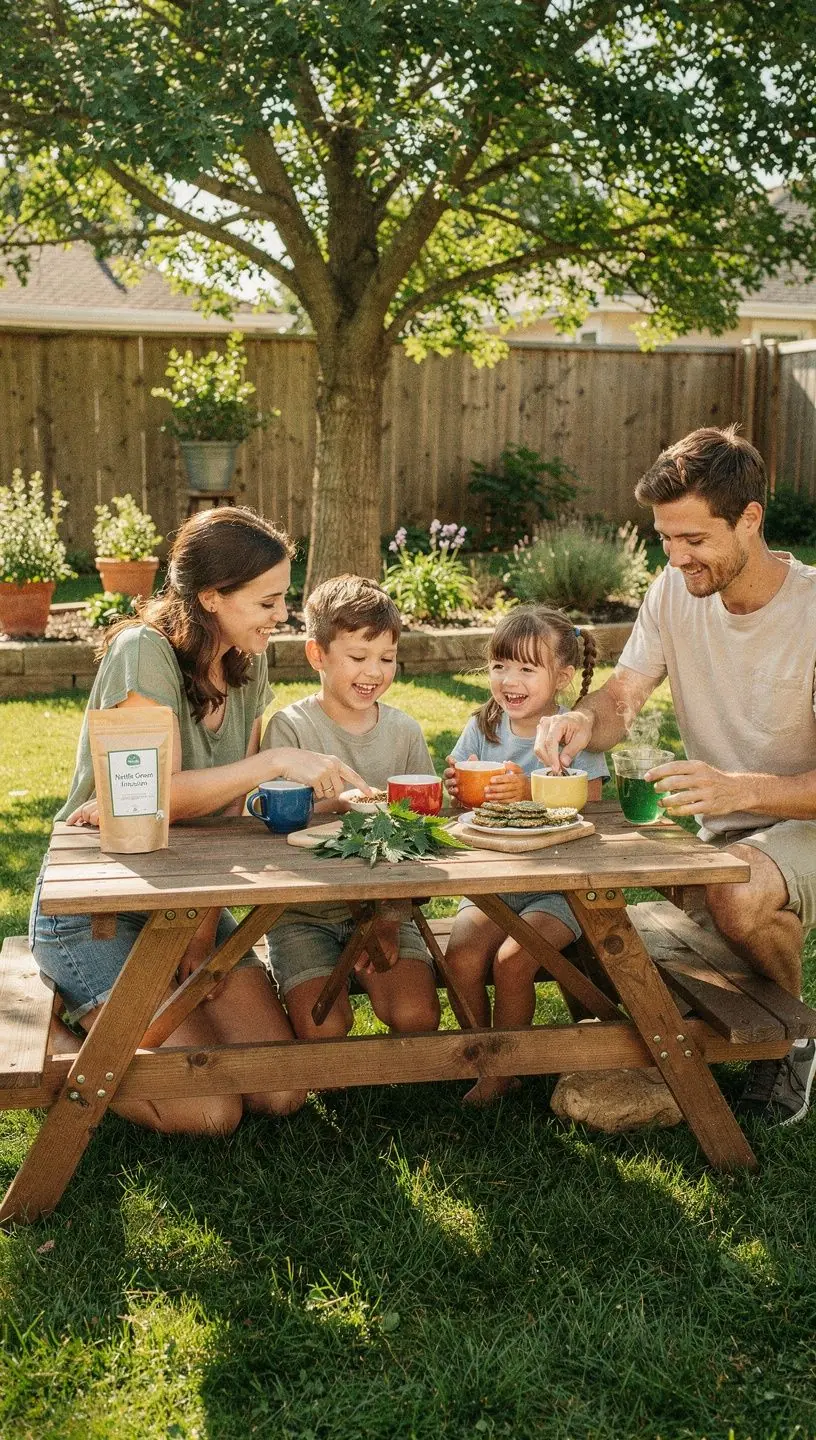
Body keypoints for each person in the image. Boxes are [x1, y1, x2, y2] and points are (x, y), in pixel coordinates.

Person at [30, 507, 369, 1135]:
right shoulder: (143, 654)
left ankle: (134, 1023)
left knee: (284, 1091)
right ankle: (62, 1042)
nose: (281, 616)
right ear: (212, 597)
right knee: (211, 1112)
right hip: (99, 913)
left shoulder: (248, 658)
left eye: (283, 598)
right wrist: (272, 759)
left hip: (188, 896)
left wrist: (200, 930)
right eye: (267, 601)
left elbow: (224, 817)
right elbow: (153, 798)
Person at [536, 424, 816, 1126]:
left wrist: (740, 789)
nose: (677, 557)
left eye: (694, 540)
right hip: (720, 823)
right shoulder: (672, 593)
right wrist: (583, 720)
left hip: (802, 820)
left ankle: (793, 1042)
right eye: (665, 539)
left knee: (739, 896)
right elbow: (624, 696)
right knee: (612, 922)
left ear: (749, 519)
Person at [261, 574, 441, 1040]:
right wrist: (334, 806)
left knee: (417, 1017)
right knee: (325, 1030)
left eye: (387, 658)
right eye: (358, 657)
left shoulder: (404, 732)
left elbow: (423, 837)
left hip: (386, 907)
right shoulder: (290, 729)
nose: (374, 672)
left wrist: (388, 917)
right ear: (317, 654)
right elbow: (271, 832)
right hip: (303, 913)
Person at [441, 606, 608, 1104]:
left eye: (526, 669)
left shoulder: (570, 734)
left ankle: (502, 1071)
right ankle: (482, 1053)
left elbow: (593, 796)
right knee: (462, 957)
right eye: (499, 665)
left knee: (514, 962)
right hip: (495, 884)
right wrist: (457, 787)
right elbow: (466, 794)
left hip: (558, 887)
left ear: (561, 677)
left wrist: (532, 791)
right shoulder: (483, 727)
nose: (509, 680)